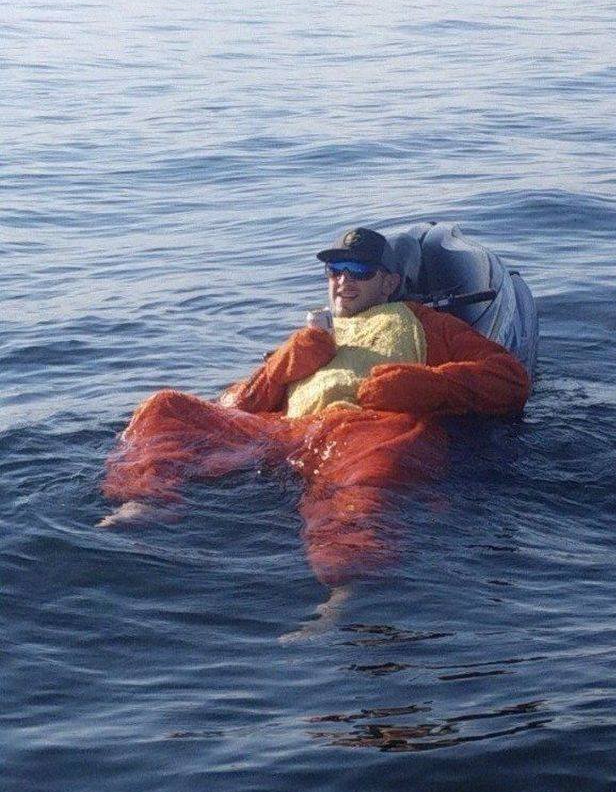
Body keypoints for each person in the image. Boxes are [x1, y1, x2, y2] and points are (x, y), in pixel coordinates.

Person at [100, 227, 530, 604]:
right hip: (284, 431)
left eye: (360, 271)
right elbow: (235, 405)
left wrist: (423, 385)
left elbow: (508, 379)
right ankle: (147, 500)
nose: (344, 281)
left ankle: (346, 586)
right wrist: (284, 363)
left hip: (360, 427)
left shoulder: (426, 323)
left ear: (389, 283)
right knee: (165, 406)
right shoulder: (315, 331)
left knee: (374, 465)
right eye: (335, 270)